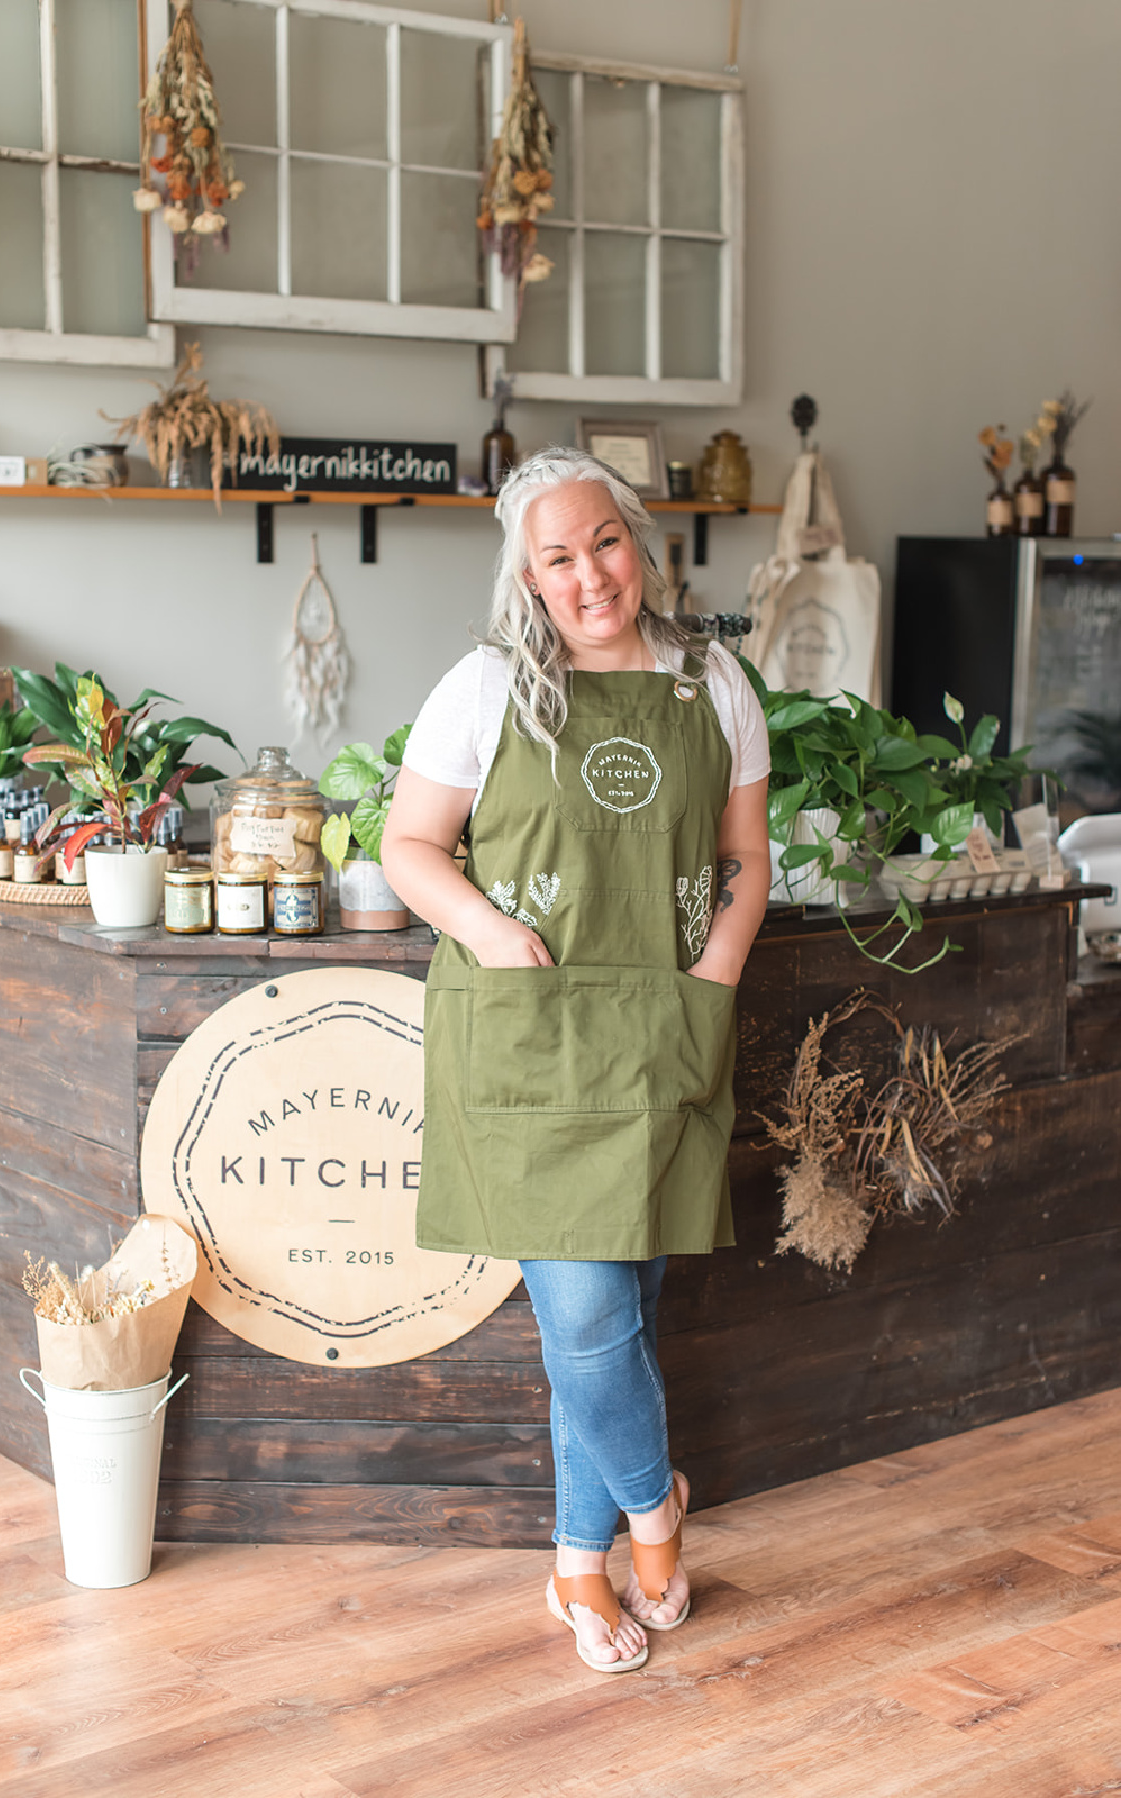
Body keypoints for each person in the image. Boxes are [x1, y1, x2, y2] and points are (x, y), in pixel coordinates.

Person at [381, 447, 770, 1673]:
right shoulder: (488, 684)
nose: (591, 572)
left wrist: (713, 977)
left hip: (663, 1026)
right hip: (533, 1030)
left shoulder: (715, 679)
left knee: (617, 1316)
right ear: (528, 575)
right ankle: (658, 1516)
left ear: (636, 539)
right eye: (559, 555)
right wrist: (494, 933)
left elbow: (746, 858)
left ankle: (573, 1566)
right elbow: (409, 845)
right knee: (590, 1317)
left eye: (604, 541)